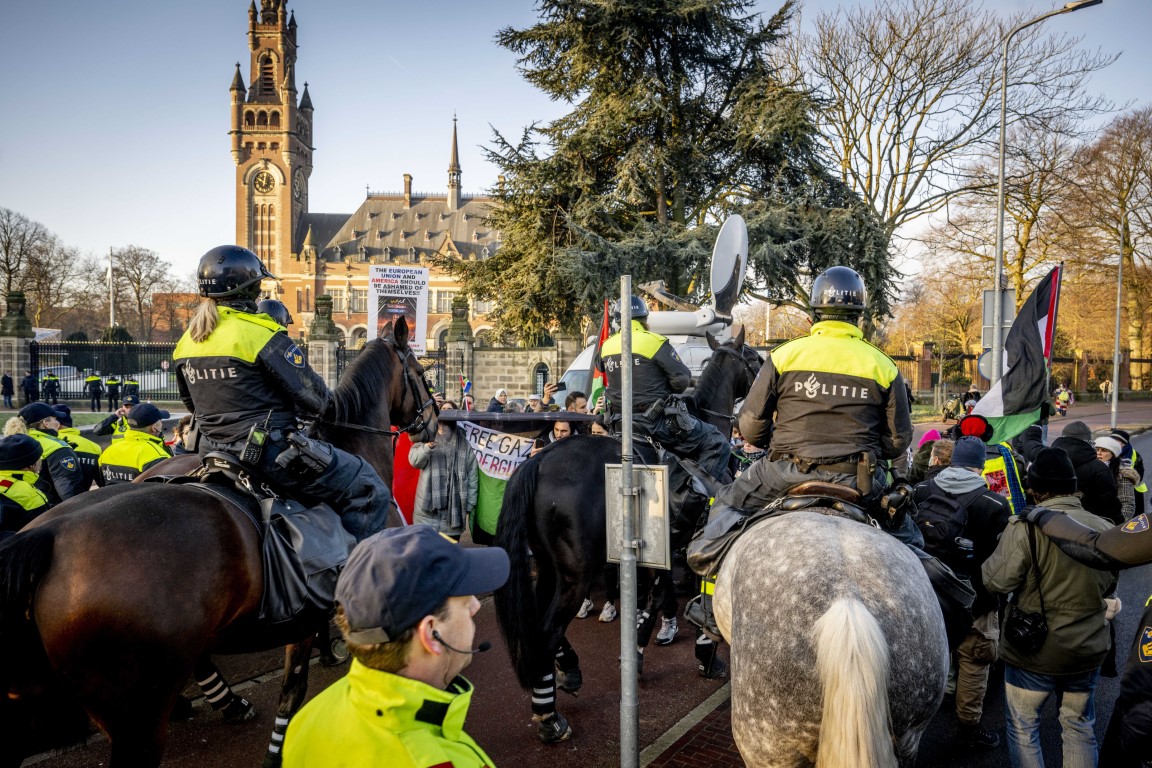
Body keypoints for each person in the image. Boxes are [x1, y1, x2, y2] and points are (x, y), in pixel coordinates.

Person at [687, 266, 912, 678]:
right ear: (859, 318)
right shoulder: (883, 365)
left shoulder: (786, 355)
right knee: (912, 542)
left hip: (784, 473)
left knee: (724, 507)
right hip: (857, 482)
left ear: (813, 317)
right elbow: (898, 442)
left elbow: (750, 427)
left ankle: (705, 598)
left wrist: (782, 440)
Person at [174, 244, 395, 541]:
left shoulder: (188, 341)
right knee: (368, 487)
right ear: (249, 289)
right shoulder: (260, 333)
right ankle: (354, 572)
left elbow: (192, 405)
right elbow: (318, 401)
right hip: (267, 456)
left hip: (211, 453)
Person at [282, 526, 512, 767]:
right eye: (465, 601)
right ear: (432, 634)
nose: (476, 606)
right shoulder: (441, 761)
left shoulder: (308, 717)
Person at [982, 447, 1116, 768]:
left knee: (1024, 727)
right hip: (1088, 645)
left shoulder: (1025, 527)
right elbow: (1109, 583)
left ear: (1035, 487)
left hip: (1033, 650)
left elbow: (995, 582)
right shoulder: (1105, 527)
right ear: (1073, 486)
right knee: (1079, 726)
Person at [912, 436, 1010, 750]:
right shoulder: (994, 503)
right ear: (981, 466)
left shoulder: (922, 491)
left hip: (925, 590)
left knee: (921, 656)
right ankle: (968, 729)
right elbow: (999, 558)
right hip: (973, 598)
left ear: (952, 461)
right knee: (974, 662)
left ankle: (912, 722)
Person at [596, 294, 730, 481]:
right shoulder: (655, 341)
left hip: (618, 423)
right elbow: (682, 380)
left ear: (618, 321)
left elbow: (600, 366)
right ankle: (703, 498)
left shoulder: (606, 345)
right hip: (654, 424)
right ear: (644, 319)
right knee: (716, 442)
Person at [409, 412, 478, 541]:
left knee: (448, 556)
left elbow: (472, 476)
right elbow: (414, 461)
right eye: (442, 409)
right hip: (426, 517)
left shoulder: (465, 444)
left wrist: (469, 505)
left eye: (449, 410)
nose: (445, 414)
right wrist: (427, 448)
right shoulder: (426, 438)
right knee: (426, 556)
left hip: (453, 518)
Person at [5, 402, 87, 503]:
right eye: (55, 419)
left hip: (17, 506)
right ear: (45, 423)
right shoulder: (57, 447)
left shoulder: (12, 444)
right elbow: (70, 491)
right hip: (49, 511)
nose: (58, 423)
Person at [1054, 420, 1122, 524]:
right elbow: (1110, 504)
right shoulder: (1099, 468)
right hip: (1090, 527)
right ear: (1089, 442)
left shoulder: (1045, 460)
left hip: (1051, 521)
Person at [98, 403, 173, 484]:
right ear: (154, 427)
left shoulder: (107, 452)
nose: (161, 424)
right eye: (160, 421)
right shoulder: (157, 455)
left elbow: (102, 484)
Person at [0, 434, 49, 538]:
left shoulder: (6, 483)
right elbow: (45, 528)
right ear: (32, 464)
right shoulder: (26, 494)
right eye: (39, 457)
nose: (41, 460)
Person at [53, 405, 104, 490]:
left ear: (57, 424)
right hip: (83, 499)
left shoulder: (47, 443)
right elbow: (102, 482)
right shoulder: (94, 447)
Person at [1095, 434, 1141, 521]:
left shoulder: (1122, 473)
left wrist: (1119, 525)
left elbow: (1127, 504)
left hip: (1111, 522)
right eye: (1096, 450)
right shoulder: (1089, 469)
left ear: (1113, 454)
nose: (1099, 453)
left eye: (1104, 450)